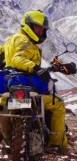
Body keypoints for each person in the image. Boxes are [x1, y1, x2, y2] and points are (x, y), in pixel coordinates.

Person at [0, 10, 72, 153]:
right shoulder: (25, 41)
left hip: (9, 87)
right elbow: (17, 59)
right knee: (58, 105)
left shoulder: (10, 40)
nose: (40, 31)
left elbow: (4, 56)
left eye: (42, 29)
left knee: (3, 105)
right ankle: (57, 145)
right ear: (29, 26)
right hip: (26, 85)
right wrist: (36, 68)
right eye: (37, 28)